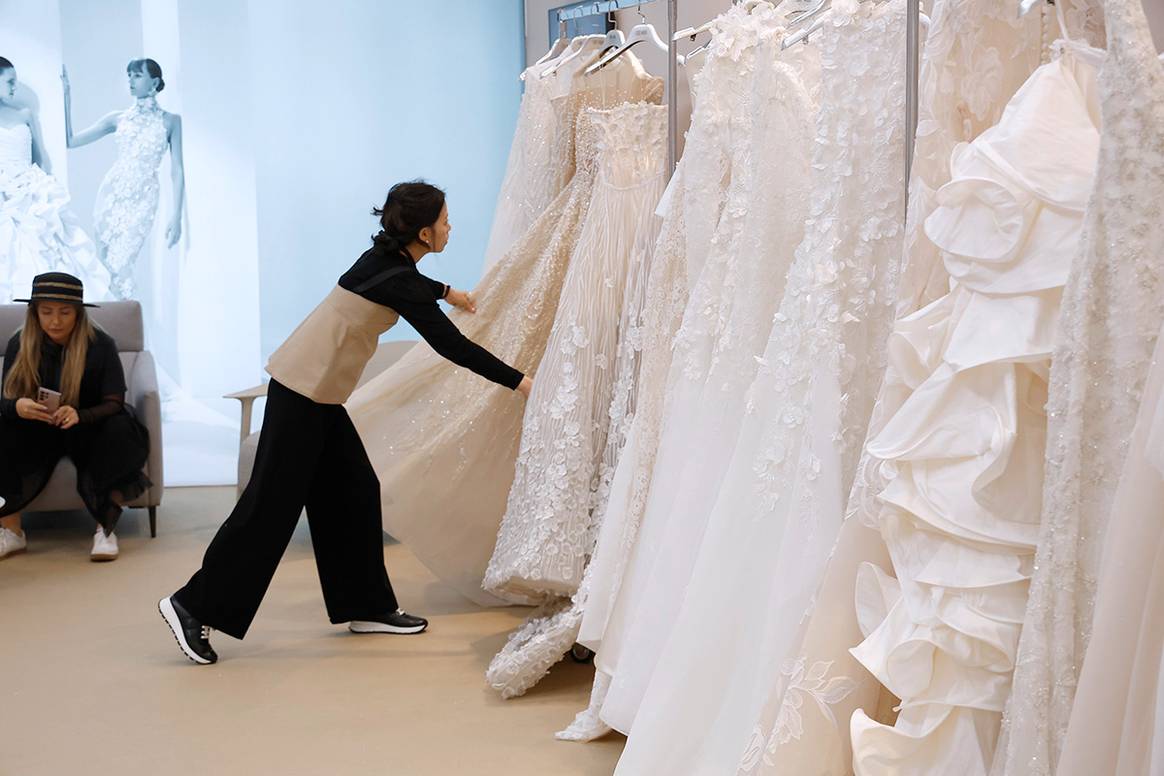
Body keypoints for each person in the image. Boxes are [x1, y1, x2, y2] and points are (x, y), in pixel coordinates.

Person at [159, 181, 533, 665]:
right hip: (301, 392)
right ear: (423, 231)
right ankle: (191, 605)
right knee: (269, 509)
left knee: (354, 490)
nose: (449, 227)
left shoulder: (387, 260)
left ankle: (367, 606)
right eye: (444, 221)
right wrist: (521, 381)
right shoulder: (394, 273)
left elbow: (407, 282)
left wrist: (447, 292)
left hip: (318, 392)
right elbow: (451, 347)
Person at [0, 272, 151, 561]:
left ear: (79, 313)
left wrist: (80, 415)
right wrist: (19, 407)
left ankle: (104, 529)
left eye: (64, 312)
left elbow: (114, 402)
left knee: (120, 428)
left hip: (88, 426)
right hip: (38, 429)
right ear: (34, 313)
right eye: (46, 312)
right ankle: (12, 532)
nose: (55, 321)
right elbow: (6, 402)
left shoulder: (100, 344)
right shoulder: (19, 342)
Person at [62, 58, 184, 299]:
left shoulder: (171, 121)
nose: (130, 80)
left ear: (154, 81)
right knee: (107, 265)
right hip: (112, 195)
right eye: (129, 75)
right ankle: (113, 321)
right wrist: (67, 96)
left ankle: (124, 321)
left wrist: (176, 216)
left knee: (123, 262)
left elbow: (177, 170)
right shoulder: (118, 118)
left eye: (137, 75)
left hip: (144, 198)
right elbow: (71, 141)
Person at [0, 57, 111, 302]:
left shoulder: (24, 114)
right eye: (9, 81)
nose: (14, 87)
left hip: (29, 188)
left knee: (53, 247)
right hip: (4, 194)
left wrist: (31, 181)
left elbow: (40, 158)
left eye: (15, 82)